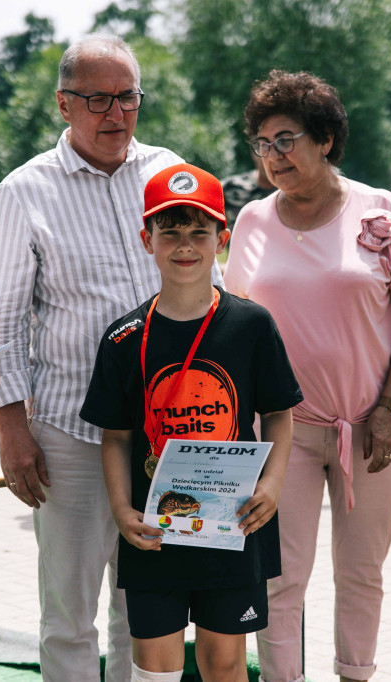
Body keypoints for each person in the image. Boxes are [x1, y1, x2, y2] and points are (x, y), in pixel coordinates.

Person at [0, 35, 220, 681]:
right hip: (70, 435)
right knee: (69, 614)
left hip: (173, 433)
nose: (115, 114)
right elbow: (1, 320)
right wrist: (11, 429)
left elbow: (207, 294)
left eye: (128, 97)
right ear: (63, 104)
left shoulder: (170, 174)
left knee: (150, 611)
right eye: (96, 100)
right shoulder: (26, 189)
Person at [225, 69, 391, 682]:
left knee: (362, 572)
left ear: (325, 139)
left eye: (286, 139)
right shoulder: (252, 223)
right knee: (281, 576)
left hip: (372, 429)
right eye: (263, 144)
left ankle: (355, 675)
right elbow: (234, 325)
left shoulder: (381, 211)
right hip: (278, 434)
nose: (273, 155)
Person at [80, 163, 301, 682]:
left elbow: (278, 413)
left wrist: (271, 484)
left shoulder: (251, 324)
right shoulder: (123, 337)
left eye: (200, 231)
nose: (185, 245)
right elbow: (115, 437)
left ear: (221, 239)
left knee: (224, 663)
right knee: (156, 666)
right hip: (157, 531)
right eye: (170, 231)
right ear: (146, 240)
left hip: (233, 522)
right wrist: (121, 509)